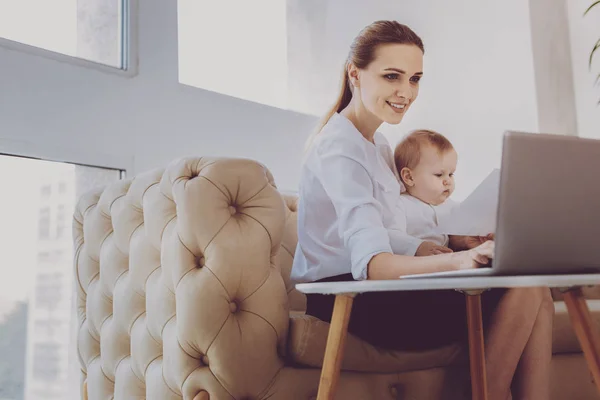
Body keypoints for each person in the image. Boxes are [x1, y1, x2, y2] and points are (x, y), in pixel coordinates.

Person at [291, 20, 553, 400]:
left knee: (535, 289)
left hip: (374, 290)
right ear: (355, 74)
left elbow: (387, 229)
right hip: (346, 299)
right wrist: (460, 262)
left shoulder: (376, 143)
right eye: (392, 76)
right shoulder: (338, 148)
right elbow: (375, 265)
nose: (406, 92)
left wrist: (455, 242)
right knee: (526, 292)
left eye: (414, 79)